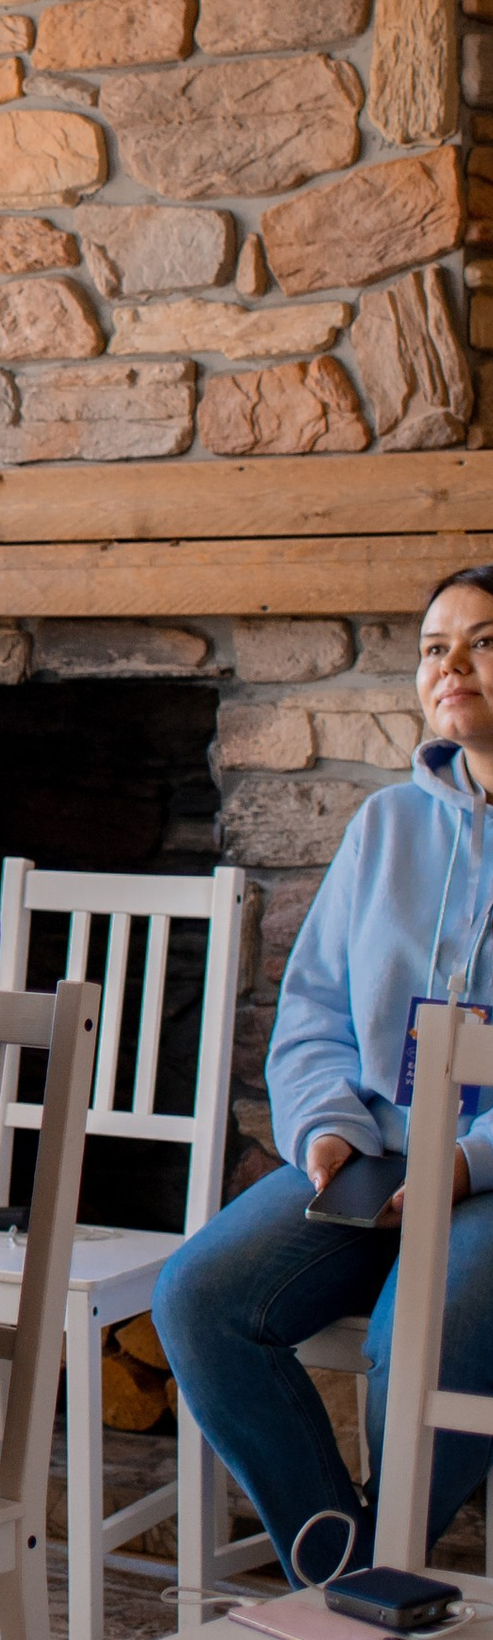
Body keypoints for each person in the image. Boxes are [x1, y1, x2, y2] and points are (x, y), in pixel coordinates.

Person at [156, 563, 493, 1583]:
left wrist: (463, 1166)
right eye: (434, 646)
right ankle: (350, 1582)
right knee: (196, 1296)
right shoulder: (388, 826)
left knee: (415, 1341)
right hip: (375, 1160)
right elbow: (309, 1011)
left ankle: (384, 1579)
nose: (451, 664)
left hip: (486, 1180)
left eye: (481, 640)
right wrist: (326, 1133)